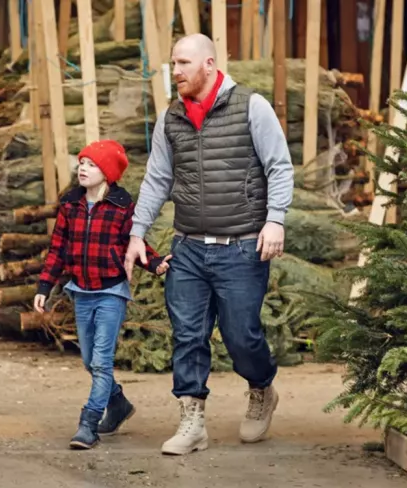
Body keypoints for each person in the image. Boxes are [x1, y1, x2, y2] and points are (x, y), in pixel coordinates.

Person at [123, 33, 294, 456]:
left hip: (242, 248)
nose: (175, 71)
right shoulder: (171, 118)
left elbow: (279, 166)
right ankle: (192, 419)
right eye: (173, 64)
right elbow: (157, 179)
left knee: (241, 337)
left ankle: (261, 388)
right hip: (189, 249)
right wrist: (136, 233)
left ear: (209, 65)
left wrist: (275, 221)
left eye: (182, 63)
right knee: (188, 335)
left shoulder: (252, 107)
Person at [34, 139, 171, 450]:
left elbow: (136, 243)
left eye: (91, 164)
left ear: (108, 172)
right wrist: (45, 285)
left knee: (101, 363)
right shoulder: (70, 204)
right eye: (82, 162)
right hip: (81, 291)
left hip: (111, 291)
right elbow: (57, 249)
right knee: (88, 360)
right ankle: (118, 404)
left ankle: (88, 423)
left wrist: (156, 262)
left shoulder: (122, 207)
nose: (83, 168)